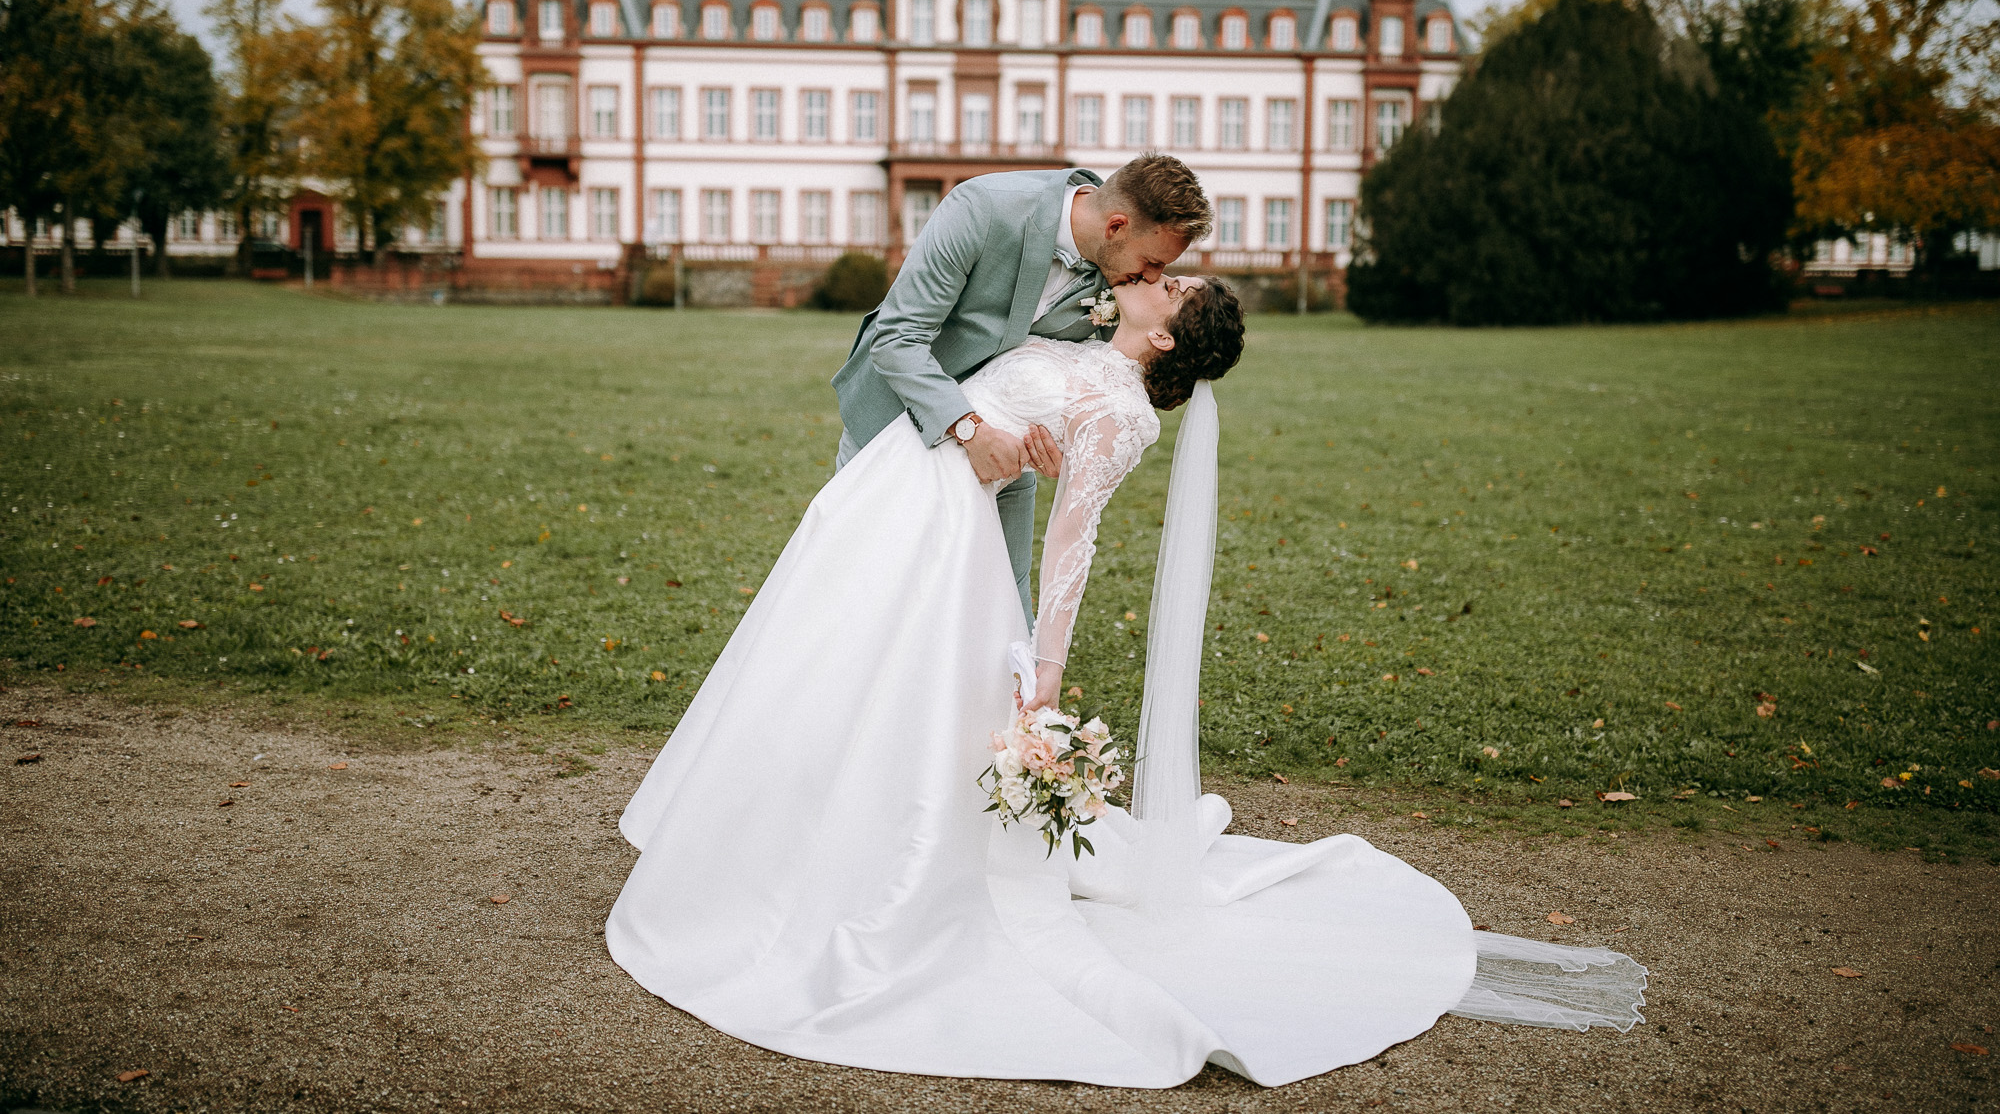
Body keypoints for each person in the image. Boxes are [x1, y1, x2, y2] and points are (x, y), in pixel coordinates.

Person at [605, 273, 1647, 1087]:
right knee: (819, 676)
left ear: (1161, 337)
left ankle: (825, 877)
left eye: (1172, 291)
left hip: (941, 539)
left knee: (881, 698)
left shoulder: (1123, 414)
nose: (1159, 279)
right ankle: (765, 846)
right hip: (897, 496)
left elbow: (1071, 543)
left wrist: (1039, 681)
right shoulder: (1077, 341)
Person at [831, 153, 1210, 623]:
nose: (1155, 277)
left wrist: (1059, 441)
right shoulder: (984, 208)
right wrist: (970, 430)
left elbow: (1087, 377)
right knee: (860, 591)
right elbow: (897, 338)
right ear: (1115, 227)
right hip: (892, 428)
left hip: (1008, 463)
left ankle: (1017, 693)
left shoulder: (1124, 286)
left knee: (1006, 608)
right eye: (1152, 261)